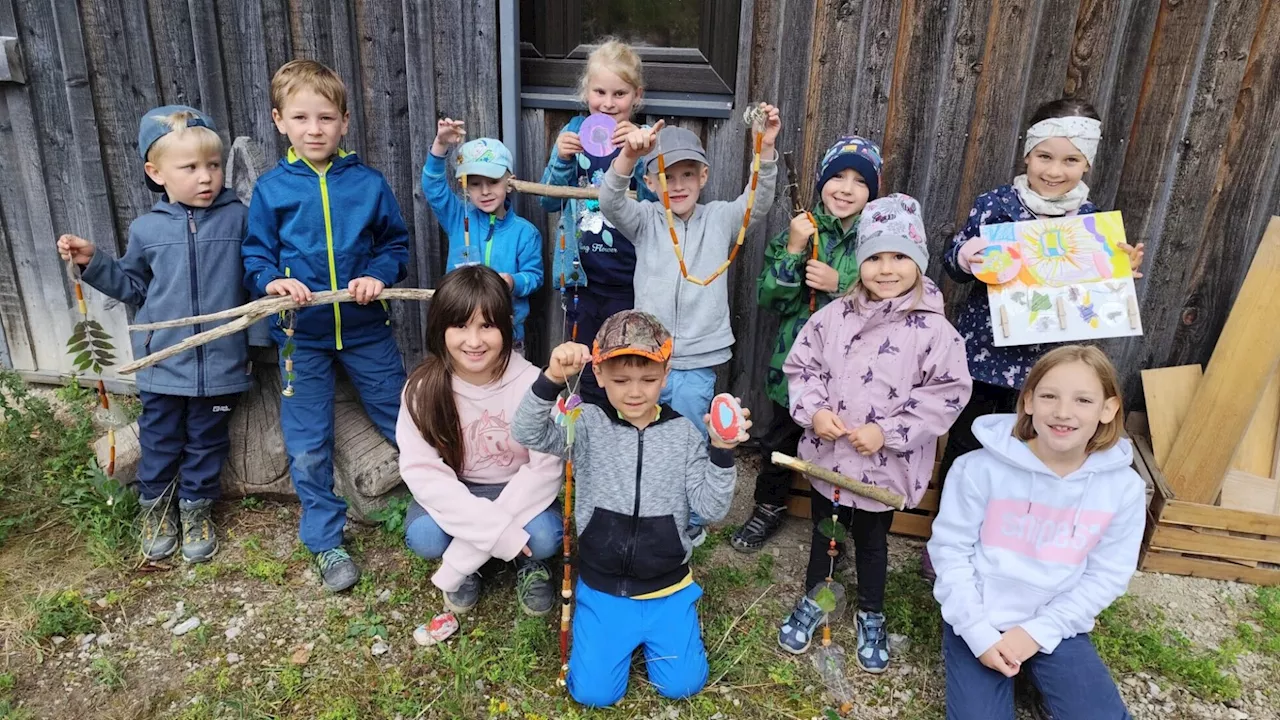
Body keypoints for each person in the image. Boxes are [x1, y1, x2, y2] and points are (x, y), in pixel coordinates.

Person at [928, 97, 1145, 580]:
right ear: (1027, 155)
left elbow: (1096, 300)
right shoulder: (995, 205)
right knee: (968, 448)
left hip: (1049, 371)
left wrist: (1120, 272)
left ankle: (1005, 544)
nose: (1055, 170)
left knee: (1032, 452)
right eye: (1045, 156)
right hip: (984, 358)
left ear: (1087, 162)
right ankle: (949, 540)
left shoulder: (1090, 221)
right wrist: (966, 257)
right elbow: (951, 263)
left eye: (1070, 159)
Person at [511, 310, 748, 707]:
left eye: (649, 380)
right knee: (594, 694)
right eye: (620, 380)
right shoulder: (585, 423)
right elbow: (527, 432)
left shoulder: (685, 435)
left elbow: (710, 507)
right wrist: (550, 379)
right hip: (604, 588)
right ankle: (607, 630)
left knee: (683, 685)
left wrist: (721, 453)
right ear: (599, 375)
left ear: (666, 374)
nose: (634, 391)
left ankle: (668, 625)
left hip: (667, 587)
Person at [777, 194, 972, 674]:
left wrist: (885, 432)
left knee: (871, 543)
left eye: (900, 256)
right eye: (875, 257)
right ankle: (816, 597)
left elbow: (946, 393)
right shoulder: (832, 317)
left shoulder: (935, 332)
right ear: (861, 261)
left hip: (883, 471)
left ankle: (871, 611)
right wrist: (815, 411)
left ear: (919, 262)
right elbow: (803, 368)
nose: (887, 269)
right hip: (828, 460)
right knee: (826, 533)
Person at [242, 59, 410, 592]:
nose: (314, 129)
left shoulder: (368, 184)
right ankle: (325, 539)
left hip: (366, 330)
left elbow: (394, 247)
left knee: (405, 418)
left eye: (325, 118)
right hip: (301, 337)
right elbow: (255, 257)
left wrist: (377, 276)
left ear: (343, 122)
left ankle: (443, 504)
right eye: (301, 118)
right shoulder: (272, 190)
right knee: (308, 440)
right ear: (279, 121)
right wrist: (272, 283)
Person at [58, 106, 249, 564]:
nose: (205, 178)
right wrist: (92, 261)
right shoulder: (147, 229)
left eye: (214, 165)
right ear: (156, 172)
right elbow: (134, 287)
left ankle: (196, 508)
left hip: (221, 361)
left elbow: (257, 275)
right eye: (190, 168)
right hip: (163, 363)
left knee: (207, 441)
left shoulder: (240, 220)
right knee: (161, 439)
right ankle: (157, 509)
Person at [928, 345, 1142, 720]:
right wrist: (977, 633)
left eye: (1083, 400)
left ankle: (1041, 673)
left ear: (1107, 409)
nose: (1063, 412)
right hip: (980, 616)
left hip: (1058, 621)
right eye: (1048, 396)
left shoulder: (1124, 489)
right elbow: (950, 553)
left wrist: (1038, 632)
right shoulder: (976, 469)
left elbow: (1107, 575)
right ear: (1027, 401)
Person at [598, 110, 781, 543]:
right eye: (665, 175)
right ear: (649, 183)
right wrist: (628, 154)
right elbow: (610, 201)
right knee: (638, 428)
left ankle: (690, 516)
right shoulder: (644, 221)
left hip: (697, 362)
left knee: (690, 435)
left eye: (686, 174)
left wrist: (767, 147)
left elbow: (757, 201)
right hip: (647, 358)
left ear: (703, 176)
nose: (676, 185)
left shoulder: (720, 218)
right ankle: (639, 503)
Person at [733, 135, 884, 553]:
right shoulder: (800, 229)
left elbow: (887, 302)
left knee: (841, 444)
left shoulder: (875, 241)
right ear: (821, 182)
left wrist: (842, 286)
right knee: (778, 438)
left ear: (872, 191)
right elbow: (771, 298)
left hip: (852, 372)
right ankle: (769, 505)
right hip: (794, 364)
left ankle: (839, 523)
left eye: (859, 180)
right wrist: (795, 250)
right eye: (838, 176)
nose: (846, 188)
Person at [396, 265, 562, 616]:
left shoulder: (533, 384)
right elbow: (422, 470)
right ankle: (494, 551)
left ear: (506, 325)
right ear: (440, 328)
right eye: (460, 326)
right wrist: (494, 530)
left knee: (546, 536)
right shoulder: (422, 389)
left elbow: (544, 469)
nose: (473, 342)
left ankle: (520, 562)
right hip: (457, 487)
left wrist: (461, 558)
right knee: (425, 537)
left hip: (519, 488)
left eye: (486, 325)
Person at [539, 38, 655, 403]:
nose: (608, 103)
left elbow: (657, 210)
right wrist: (560, 159)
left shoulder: (641, 138)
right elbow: (546, 200)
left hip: (628, 279)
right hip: (580, 279)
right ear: (585, 91)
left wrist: (637, 155)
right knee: (585, 361)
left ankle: (622, 420)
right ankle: (587, 420)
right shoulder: (573, 133)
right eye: (599, 91)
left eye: (619, 93)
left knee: (623, 356)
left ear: (636, 95)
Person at [422, 121, 543, 354]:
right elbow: (433, 187)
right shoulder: (457, 217)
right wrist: (440, 144)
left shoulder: (525, 233)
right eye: (475, 184)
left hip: (508, 335)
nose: (485, 191)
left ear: (510, 182)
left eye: (494, 182)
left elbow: (535, 277)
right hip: (462, 333)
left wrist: (513, 281)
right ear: (464, 186)